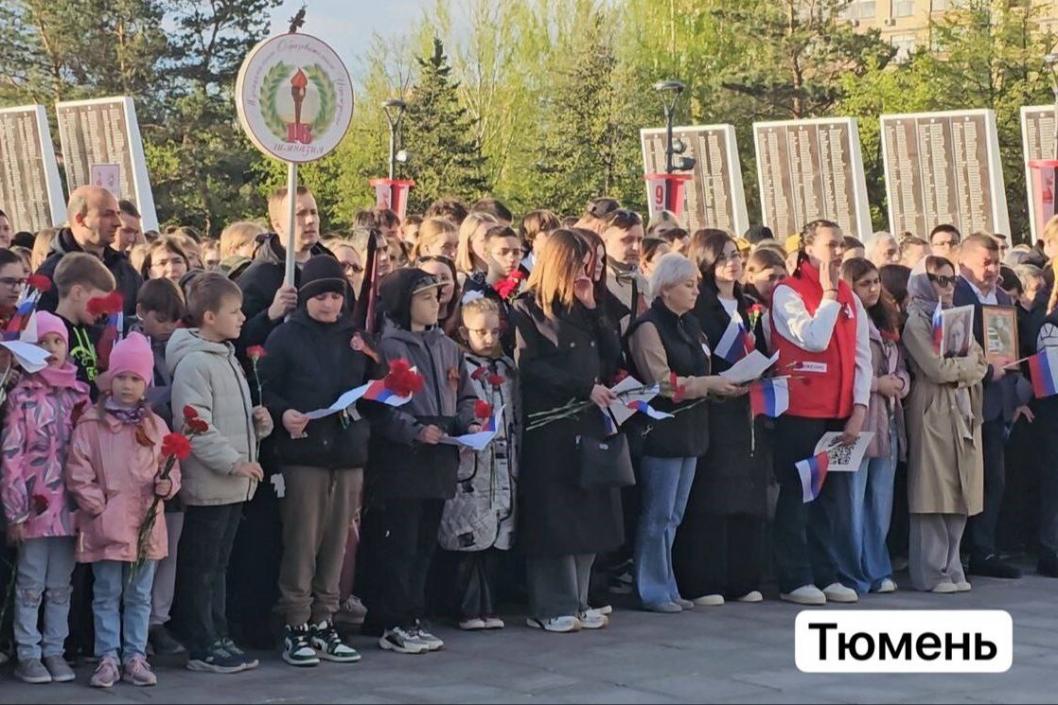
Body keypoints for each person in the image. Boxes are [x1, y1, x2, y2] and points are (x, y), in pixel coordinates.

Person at [258, 256, 375, 667]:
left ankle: (326, 617)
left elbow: (372, 383)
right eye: (321, 297)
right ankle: (296, 621)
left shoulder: (355, 337)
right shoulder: (285, 337)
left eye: (336, 297)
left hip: (347, 454)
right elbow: (264, 386)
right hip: (304, 453)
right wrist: (282, 413)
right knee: (303, 541)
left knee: (337, 542)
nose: (329, 305)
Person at [511, 229, 624, 633]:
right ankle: (550, 605)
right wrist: (581, 387)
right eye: (579, 263)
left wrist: (593, 308)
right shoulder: (527, 308)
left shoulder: (586, 306)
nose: (587, 271)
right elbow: (530, 365)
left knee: (587, 514)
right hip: (551, 424)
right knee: (554, 517)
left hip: (588, 420)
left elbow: (612, 355)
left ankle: (579, 598)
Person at [360, 268, 477, 655]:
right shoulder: (387, 347)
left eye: (437, 296)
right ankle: (393, 619)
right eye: (425, 297)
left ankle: (413, 615)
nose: (435, 304)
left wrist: (468, 422)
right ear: (403, 303)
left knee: (426, 542)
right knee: (401, 542)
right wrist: (412, 430)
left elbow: (466, 393)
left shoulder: (448, 346)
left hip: (440, 453)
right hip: (405, 457)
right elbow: (378, 405)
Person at [167, 273, 273, 673]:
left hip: (233, 484)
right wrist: (233, 461)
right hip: (212, 482)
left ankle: (219, 633)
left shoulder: (226, 357)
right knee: (202, 566)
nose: (243, 317)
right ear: (209, 317)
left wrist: (258, 424)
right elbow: (194, 424)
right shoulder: (196, 362)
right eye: (234, 311)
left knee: (219, 565)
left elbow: (227, 416)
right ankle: (201, 642)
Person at [627, 251, 743, 612]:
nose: (696, 291)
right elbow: (662, 382)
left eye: (696, 284)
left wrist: (725, 385)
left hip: (692, 429)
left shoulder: (691, 324)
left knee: (675, 514)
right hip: (662, 431)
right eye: (689, 285)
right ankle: (651, 588)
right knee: (657, 514)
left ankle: (667, 584)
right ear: (665, 289)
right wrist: (709, 383)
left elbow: (701, 369)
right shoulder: (648, 327)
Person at [65, 332, 181, 688]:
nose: (127, 385)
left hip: (145, 524)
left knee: (139, 595)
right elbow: (78, 468)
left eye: (135, 378)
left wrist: (167, 485)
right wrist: (96, 504)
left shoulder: (155, 425)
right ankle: (107, 656)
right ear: (110, 379)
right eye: (121, 377)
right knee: (106, 593)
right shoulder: (92, 423)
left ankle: (135, 655)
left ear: (146, 384)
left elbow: (170, 466)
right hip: (107, 524)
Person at [769, 219, 872, 606]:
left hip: (838, 410)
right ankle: (794, 577)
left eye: (842, 244)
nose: (839, 251)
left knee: (828, 497)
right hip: (801, 409)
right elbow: (813, 339)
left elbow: (862, 356)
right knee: (798, 493)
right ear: (808, 249)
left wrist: (859, 407)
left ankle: (826, 573)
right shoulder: (788, 292)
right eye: (831, 245)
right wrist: (828, 295)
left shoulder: (849, 296)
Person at [675, 233, 768, 607]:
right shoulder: (701, 307)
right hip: (714, 407)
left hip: (748, 409)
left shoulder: (748, 304)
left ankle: (743, 577)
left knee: (748, 493)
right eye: (723, 257)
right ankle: (705, 579)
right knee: (713, 495)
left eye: (736, 255)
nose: (733, 262)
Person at [1, 312, 91, 685]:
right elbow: (11, 457)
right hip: (35, 506)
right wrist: (16, 512)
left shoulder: (79, 394)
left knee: (60, 584)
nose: (52, 349)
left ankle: (55, 649)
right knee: (30, 583)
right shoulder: (21, 396)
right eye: (42, 343)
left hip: (70, 506)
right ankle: (28, 652)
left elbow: (91, 450)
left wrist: (90, 503)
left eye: (57, 341)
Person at [902, 257, 988, 592]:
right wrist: (964, 369)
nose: (948, 286)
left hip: (964, 410)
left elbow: (981, 362)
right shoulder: (916, 321)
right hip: (932, 409)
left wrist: (960, 370)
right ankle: (931, 571)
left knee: (961, 490)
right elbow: (935, 369)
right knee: (932, 492)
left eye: (952, 279)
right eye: (940, 279)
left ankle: (952, 566)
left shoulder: (958, 316)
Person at [438, 297, 519, 630]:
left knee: (495, 535)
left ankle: (489, 605)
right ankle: (467, 608)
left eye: (494, 331)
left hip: (502, 463)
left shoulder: (507, 368)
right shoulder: (459, 366)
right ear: (463, 331)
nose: (488, 338)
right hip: (471, 462)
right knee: (468, 536)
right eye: (480, 331)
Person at [953, 234, 1028, 579]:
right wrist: (985, 371)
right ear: (965, 261)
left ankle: (984, 549)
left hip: (996, 403)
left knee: (994, 480)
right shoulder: (955, 295)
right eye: (986, 262)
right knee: (962, 480)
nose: (993, 269)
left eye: (997, 262)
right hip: (964, 400)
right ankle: (959, 551)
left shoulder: (1001, 297)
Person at [833, 258, 909, 595]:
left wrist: (900, 382)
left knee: (880, 501)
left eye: (876, 281)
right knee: (852, 501)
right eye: (865, 283)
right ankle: (853, 570)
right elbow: (846, 371)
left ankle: (878, 568)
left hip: (888, 421)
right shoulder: (846, 319)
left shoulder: (885, 320)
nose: (874, 288)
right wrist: (878, 384)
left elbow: (902, 365)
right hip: (860, 418)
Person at [235, 186, 333, 353]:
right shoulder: (257, 277)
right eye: (300, 214)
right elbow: (237, 339)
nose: (310, 220)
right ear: (278, 225)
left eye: (314, 212)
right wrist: (271, 314)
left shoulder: (329, 266)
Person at [37, 185, 141, 317]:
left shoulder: (125, 270)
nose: (117, 223)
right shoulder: (51, 274)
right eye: (107, 215)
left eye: (118, 214)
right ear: (80, 219)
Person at [53, 254, 117, 388]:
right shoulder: (53, 333)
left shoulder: (88, 331)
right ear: (78, 293)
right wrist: (96, 386)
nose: (104, 310)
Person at [601, 210, 648, 334]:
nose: (636, 247)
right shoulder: (597, 285)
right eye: (627, 240)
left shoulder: (647, 285)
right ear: (605, 241)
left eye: (640, 240)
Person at [454, 212, 499, 280]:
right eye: (485, 240)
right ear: (469, 246)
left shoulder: (510, 275)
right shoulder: (460, 280)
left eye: (497, 237)